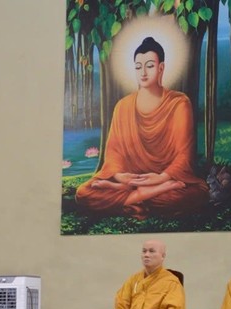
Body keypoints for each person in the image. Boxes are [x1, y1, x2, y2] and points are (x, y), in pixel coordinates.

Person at [76, 37, 209, 219]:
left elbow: (183, 156)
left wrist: (161, 178)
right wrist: (121, 177)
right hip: (132, 179)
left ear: (161, 68)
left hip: (165, 178)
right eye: (138, 67)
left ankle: (131, 199)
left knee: (195, 194)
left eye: (150, 66)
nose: (143, 73)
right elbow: (114, 154)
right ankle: (140, 196)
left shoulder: (179, 103)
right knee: (83, 193)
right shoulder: (122, 106)